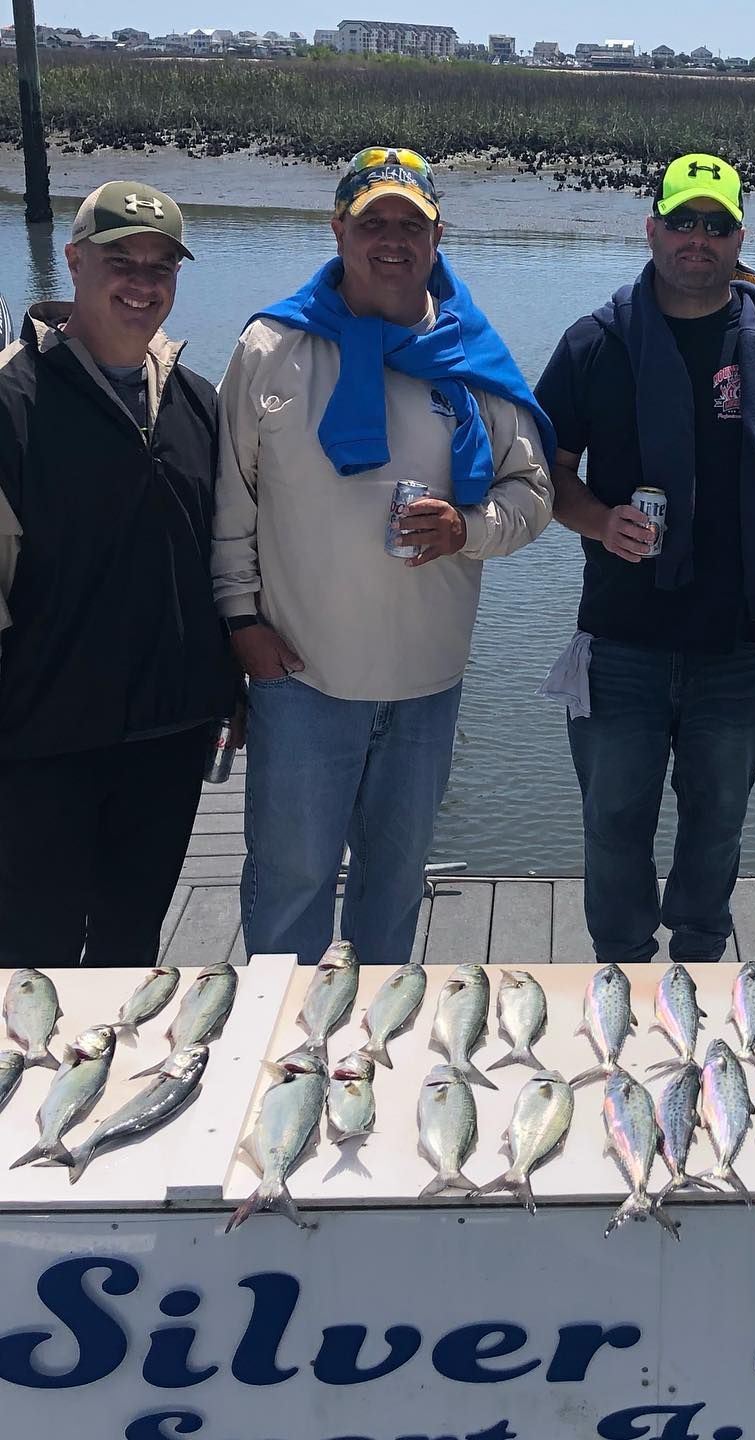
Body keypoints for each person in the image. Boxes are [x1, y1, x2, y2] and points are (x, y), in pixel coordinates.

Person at [212, 146, 554, 965]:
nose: (392, 241)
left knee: (394, 886)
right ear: (338, 230)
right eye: (373, 223)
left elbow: (533, 492)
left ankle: (376, 1026)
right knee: (291, 881)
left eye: (411, 224)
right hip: (302, 676)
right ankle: (281, 1028)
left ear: (438, 237)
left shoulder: (470, 358)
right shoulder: (271, 347)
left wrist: (468, 528)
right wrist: (240, 623)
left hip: (426, 682)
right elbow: (229, 502)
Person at [535, 152, 755, 964]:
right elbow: (544, 475)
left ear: (740, 238)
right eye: (682, 221)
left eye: (716, 224)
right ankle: (621, 968)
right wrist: (600, 522)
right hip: (620, 643)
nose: (697, 239)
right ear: (651, 229)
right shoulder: (595, 343)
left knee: (718, 827)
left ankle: (700, 965)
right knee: (612, 824)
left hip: (735, 647)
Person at [0, 181, 235, 967]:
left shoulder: (199, 405)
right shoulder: (11, 400)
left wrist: (229, 689)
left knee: (130, 950)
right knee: (31, 958)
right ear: (73, 262)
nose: (142, 283)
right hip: (40, 740)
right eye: (120, 262)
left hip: (169, 737)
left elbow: (221, 559)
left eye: (160, 267)